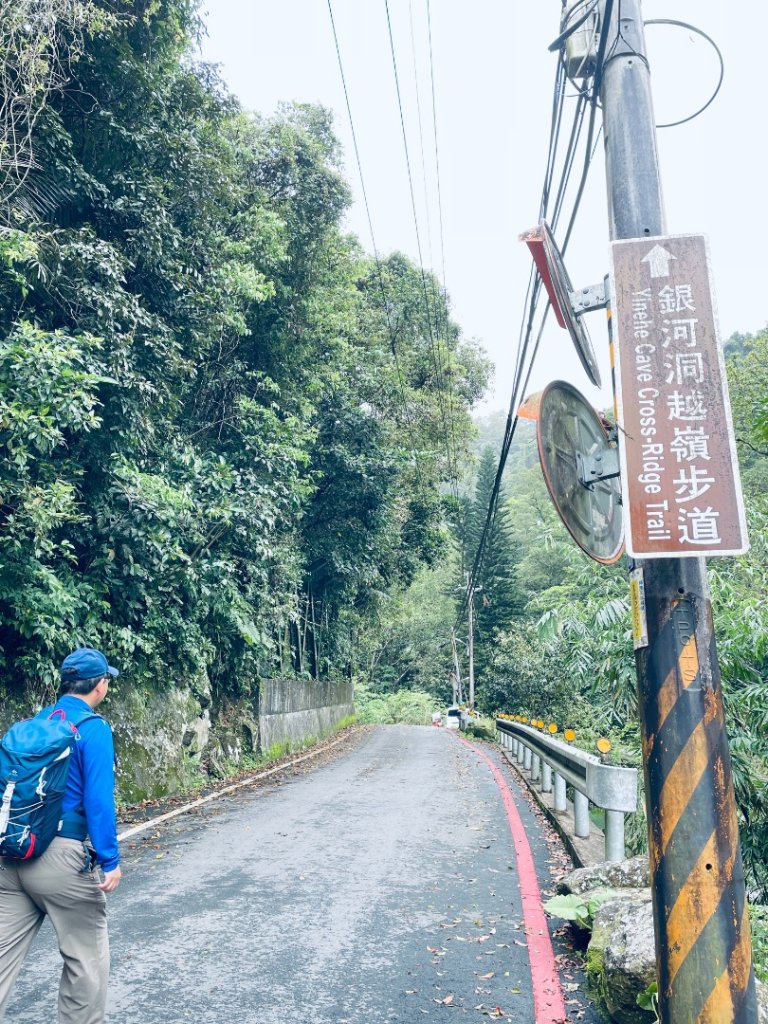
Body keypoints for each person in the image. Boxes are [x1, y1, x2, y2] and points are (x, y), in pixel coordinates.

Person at [0, 647, 122, 1023]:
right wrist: (110, 859)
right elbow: (98, 800)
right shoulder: (93, 728)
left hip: (12, 856)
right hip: (60, 860)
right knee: (85, 958)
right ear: (100, 685)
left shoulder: (36, 723)